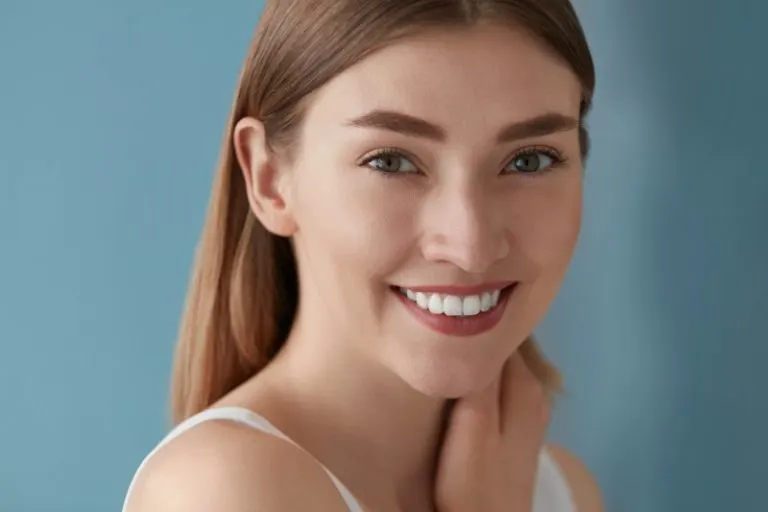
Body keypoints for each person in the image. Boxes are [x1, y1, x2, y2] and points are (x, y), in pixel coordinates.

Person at [123, 0, 601, 510]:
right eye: (391, 161)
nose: (471, 246)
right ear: (269, 179)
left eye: (530, 160)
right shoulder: (222, 490)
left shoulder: (563, 490)